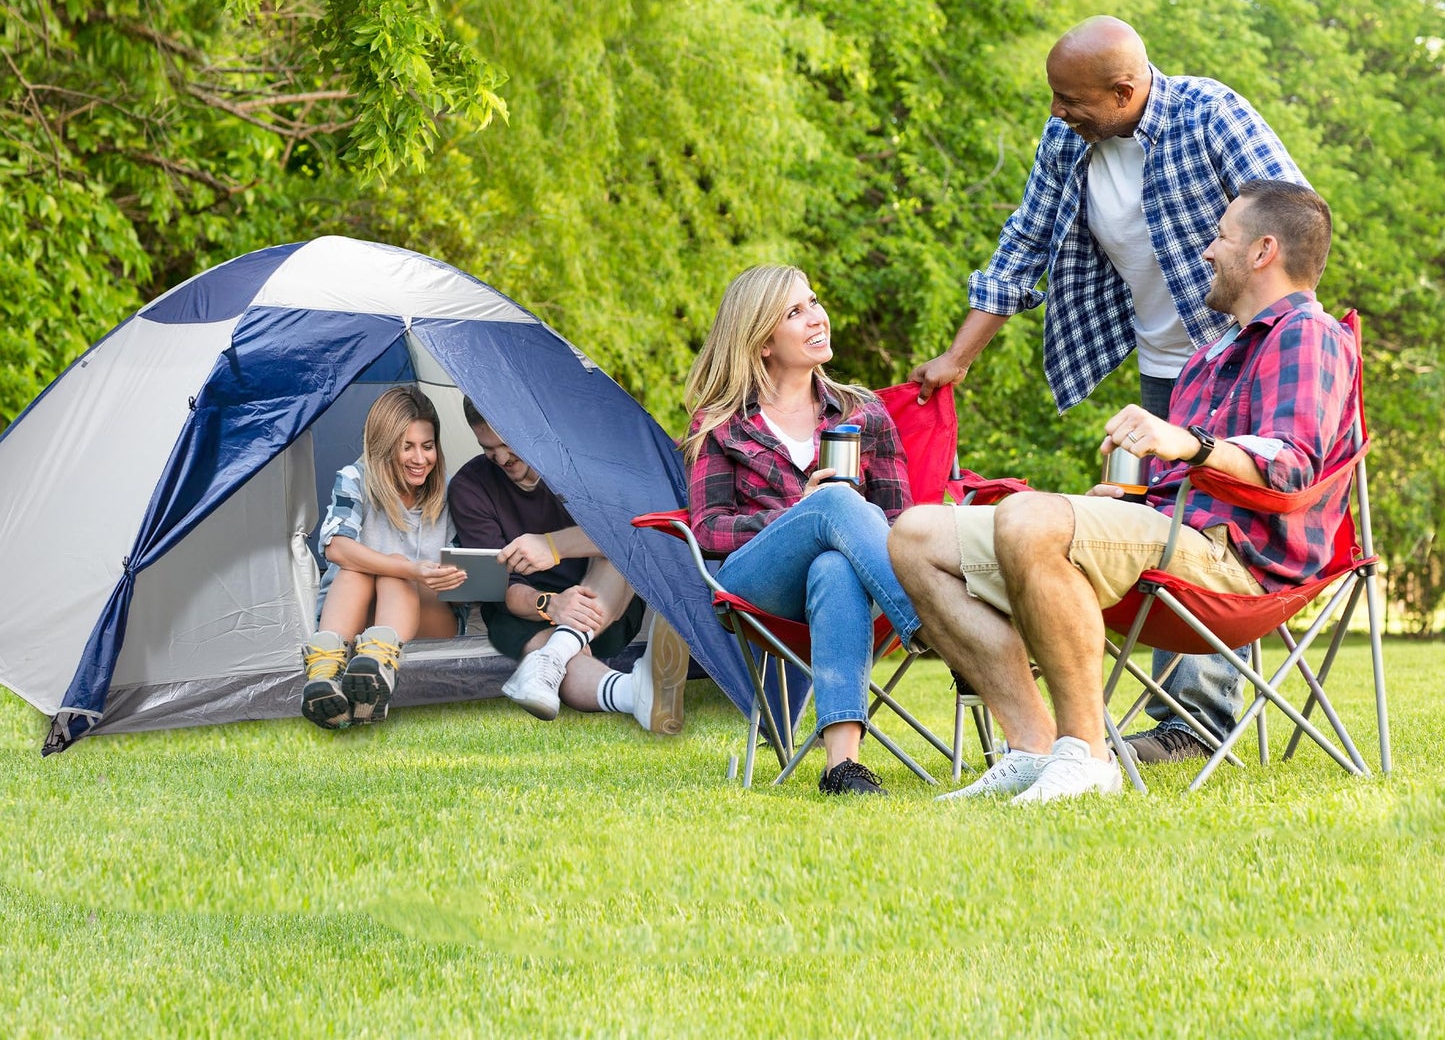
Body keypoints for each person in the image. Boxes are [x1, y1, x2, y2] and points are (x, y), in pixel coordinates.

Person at [909, 15, 1310, 765]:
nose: (1056, 112)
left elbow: (1292, 221)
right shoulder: (1068, 139)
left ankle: (1196, 723)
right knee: (1160, 531)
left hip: (1237, 360)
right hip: (1166, 371)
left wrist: (1285, 346)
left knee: (1212, 529)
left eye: (1070, 99)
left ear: (1123, 90)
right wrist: (958, 358)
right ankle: (1123, 725)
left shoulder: (1209, 113)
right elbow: (1023, 242)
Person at [891, 181, 1357, 803]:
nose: (1207, 252)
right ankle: (1036, 747)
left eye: (1221, 236)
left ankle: (1087, 756)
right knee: (916, 535)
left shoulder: (1307, 333)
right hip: (1176, 538)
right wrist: (1131, 503)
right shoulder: (1212, 353)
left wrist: (1187, 442)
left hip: (1238, 564)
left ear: (1263, 251)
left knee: (1031, 519)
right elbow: (1185, 484)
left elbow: (1293, 462)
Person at [685, 264, 923, 797]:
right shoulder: (721, 422)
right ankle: (940, 627)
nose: (818, 318)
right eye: (795, 312)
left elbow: (900, 519)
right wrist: (802, 511)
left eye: (814, 302)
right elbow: (708, 530)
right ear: (762, 341)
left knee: (834, 564)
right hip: (756, 584)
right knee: (833, 500)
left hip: (852, 584)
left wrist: (832, 523)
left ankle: (843, 767)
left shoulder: (865, 413)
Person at [449, 397, 690, 734]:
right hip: (526, 612)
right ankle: (631, 692)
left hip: (603, 601)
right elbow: (500, 587)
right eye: (489, 449)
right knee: (558, 653)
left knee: (619, 555)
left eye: (507, 444)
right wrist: (551, 604)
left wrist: (553, 546)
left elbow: (635, 530)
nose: (502, 458)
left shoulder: (577, 463)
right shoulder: (469, 487)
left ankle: (554, 655)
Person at [301, 385, 465, 729]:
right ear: (383, 446)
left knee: (394, 571)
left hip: (431, 617)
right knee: (361, 566)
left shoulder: (449, 490)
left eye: (428, 446)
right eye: (407, 447)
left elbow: (467, 564)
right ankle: (330, 675)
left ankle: (374, 668)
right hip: (359, 617)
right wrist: (406, 566)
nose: (420, 459)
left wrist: (424, 573)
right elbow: (335, 546)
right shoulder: (355, 479)